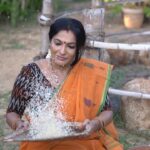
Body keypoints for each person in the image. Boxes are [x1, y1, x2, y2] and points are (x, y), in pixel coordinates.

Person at [6, 18, 123, 150]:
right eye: (58, 43)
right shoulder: (31, 73)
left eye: (70, 46)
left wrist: (96, 123)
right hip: (40, 144)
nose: (62, 51)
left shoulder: (89, 72)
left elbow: (107, 110)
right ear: (50, 42)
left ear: (79, 48)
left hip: (82, 141)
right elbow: (12, 112)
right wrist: (18, 124)